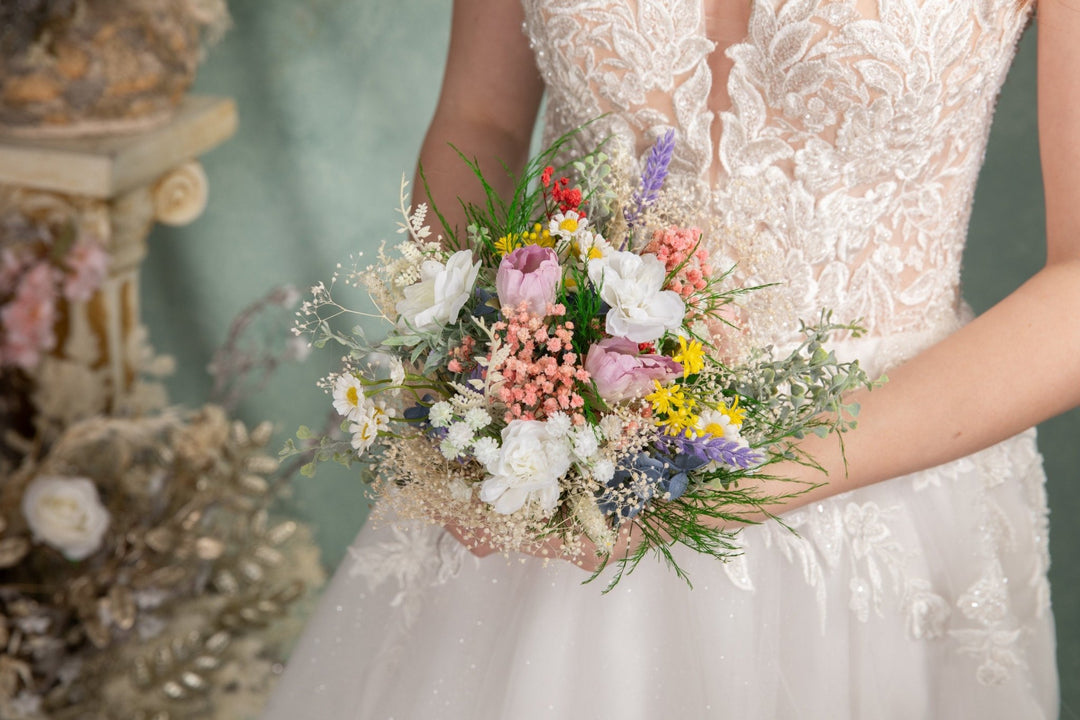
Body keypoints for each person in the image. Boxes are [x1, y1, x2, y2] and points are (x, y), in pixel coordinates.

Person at [263, 1, 1068, 717]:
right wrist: (473, 367)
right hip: (553, 467)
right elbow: (482, 119)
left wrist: (740, 479)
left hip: (884, 489)